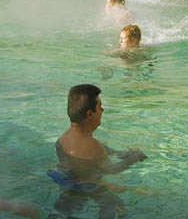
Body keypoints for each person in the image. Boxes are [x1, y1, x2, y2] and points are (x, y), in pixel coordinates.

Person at [52, 84, 145, 217]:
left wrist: (117, 153)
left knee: (64, 209)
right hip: (91, 186)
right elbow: (112, 170)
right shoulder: (93, 146)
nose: (102, 109)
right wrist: (135, 157)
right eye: (99, 106)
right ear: (90, 113)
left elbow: (88, 149)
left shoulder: (63, 139)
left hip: (69, 184)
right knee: (116, 204)